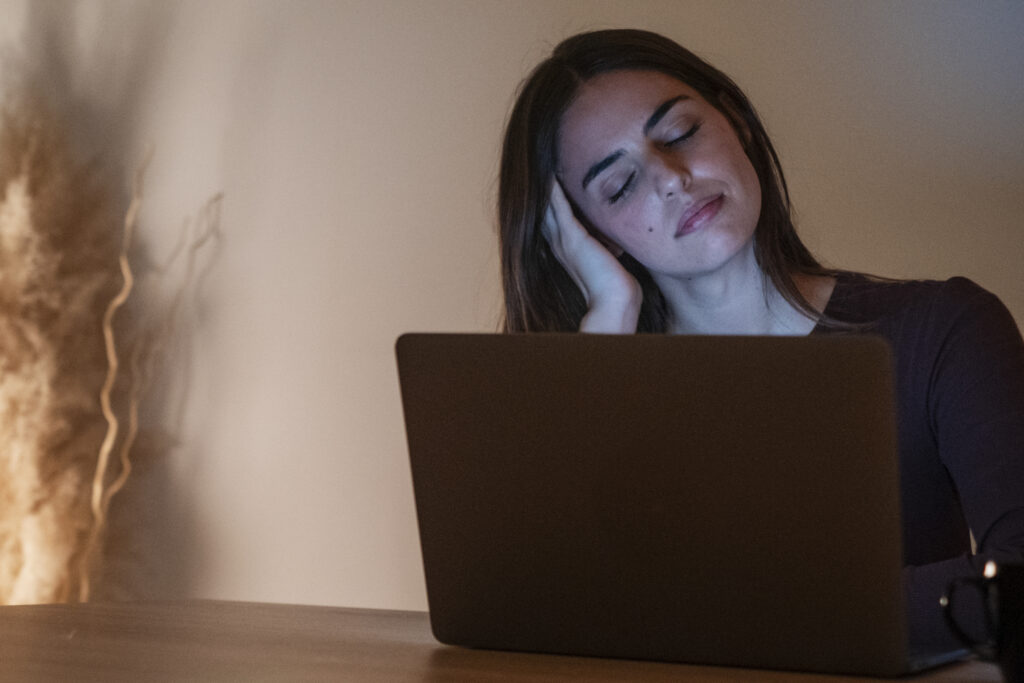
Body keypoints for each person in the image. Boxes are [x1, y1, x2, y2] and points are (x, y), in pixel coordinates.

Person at [497, 28, 1024, 651]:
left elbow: (1015, 583)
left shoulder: (945, 329)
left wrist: (715, 612)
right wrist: (606, 329)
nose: (670, 178)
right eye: (619, 186)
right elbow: (535, 609)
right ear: (590, 233)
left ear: (737, 123)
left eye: (679, 133)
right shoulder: (597, 391)